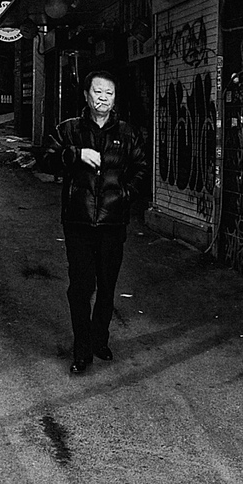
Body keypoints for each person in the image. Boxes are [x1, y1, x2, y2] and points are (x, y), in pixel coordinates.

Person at [44, 70, 147, 374]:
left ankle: (99, 338)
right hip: (78, 222)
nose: (103, 98)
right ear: (86, 96)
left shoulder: (127, 133)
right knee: (80, 287)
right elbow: (46, 159)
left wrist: (124, 195)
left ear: (115, 99)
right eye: (97, 92)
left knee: (107, 285)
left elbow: (141, 168)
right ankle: (82, 349)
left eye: (109, 93)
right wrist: (75, 154)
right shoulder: (69, 130)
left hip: (112, 224)